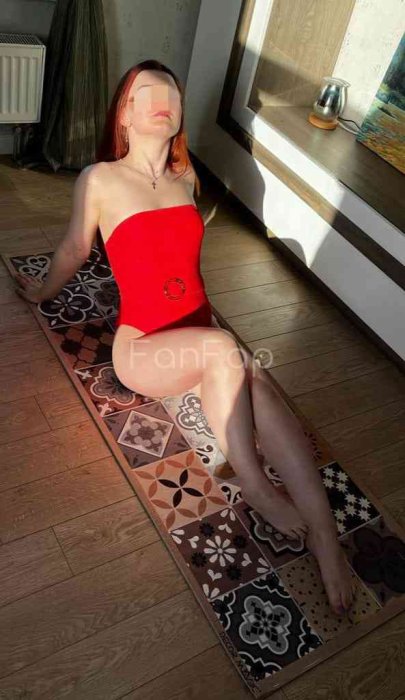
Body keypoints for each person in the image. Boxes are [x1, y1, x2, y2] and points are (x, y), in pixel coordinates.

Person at [14, 59, 355, 617]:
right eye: (145, 93)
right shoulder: (100, 179)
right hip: (143, 348)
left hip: (197, 336)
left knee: (259, 383)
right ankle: (256, 486)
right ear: (124, 115)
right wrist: (42, 293)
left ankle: (325, 536)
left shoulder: (187, 178)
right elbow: (76, 249)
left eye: (171, 93)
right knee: (225, 350)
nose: (162, 101)